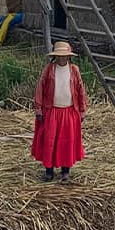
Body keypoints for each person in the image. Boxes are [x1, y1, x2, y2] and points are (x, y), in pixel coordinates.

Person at [31, 41, 88, 182]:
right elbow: (40, 88)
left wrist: (82, 110)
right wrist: (38, 108)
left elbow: (80, 90)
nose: (62, 58)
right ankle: (49, 171)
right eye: (59, 55)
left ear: (69, 56)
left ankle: (65, 171)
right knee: (50, 141)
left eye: (65, 55)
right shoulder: (49, 69)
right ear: (55, 56)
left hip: (69, 112)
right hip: (52, 111)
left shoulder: (74, 70)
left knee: (67, 142)